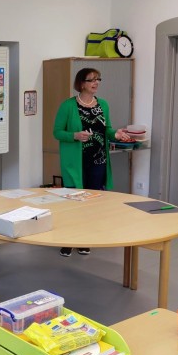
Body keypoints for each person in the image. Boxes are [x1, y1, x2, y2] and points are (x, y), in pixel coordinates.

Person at [53, 67, 132, 257]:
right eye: (91, 80)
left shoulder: (103, 104)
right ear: (81, 83)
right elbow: (57, 132)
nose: (96, 83)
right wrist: (74, 135)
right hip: (76, 163)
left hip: (98, 160)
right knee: (73, 203)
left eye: (98, 79)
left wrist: (116, 134)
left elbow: (107, 129)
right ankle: (68, 240)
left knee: (92, 204)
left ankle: (84, 240)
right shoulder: (68, 106)